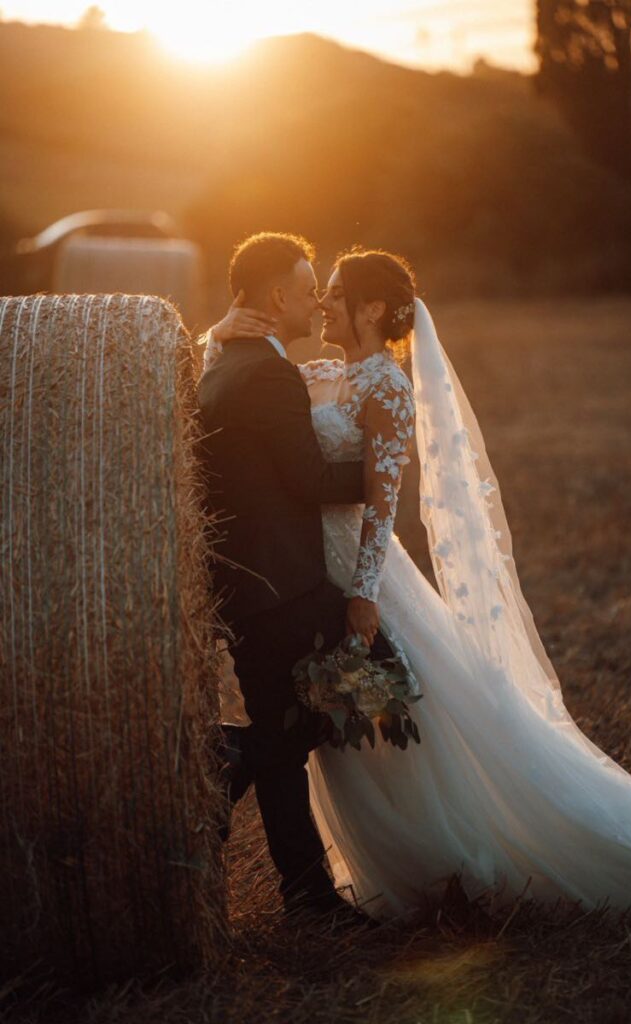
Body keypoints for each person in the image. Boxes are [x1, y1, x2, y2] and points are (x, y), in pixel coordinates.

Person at [210, 246, 631, 923]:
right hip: (313, 571)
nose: (321, 304)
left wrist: (364, 591)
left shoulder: (385, 386)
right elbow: (255, 389)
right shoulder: (325, 373)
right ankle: (378, 858)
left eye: (334, 292)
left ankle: (454, 850)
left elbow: (382, 500)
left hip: (358, 577)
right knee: (342, 724)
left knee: (408, 717)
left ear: (372, 308)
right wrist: (224, 331)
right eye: (317, 291)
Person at [197, 232, 392, 927]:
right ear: (277, 296)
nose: (316, 302)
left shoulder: (221, 366)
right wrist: (383, 472)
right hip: (282, 585)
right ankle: (223, 757)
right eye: (309, 289)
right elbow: (307, 477)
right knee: (295, 729)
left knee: (289, 732)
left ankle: (305, 894)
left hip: (249, 585)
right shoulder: (267, 376)